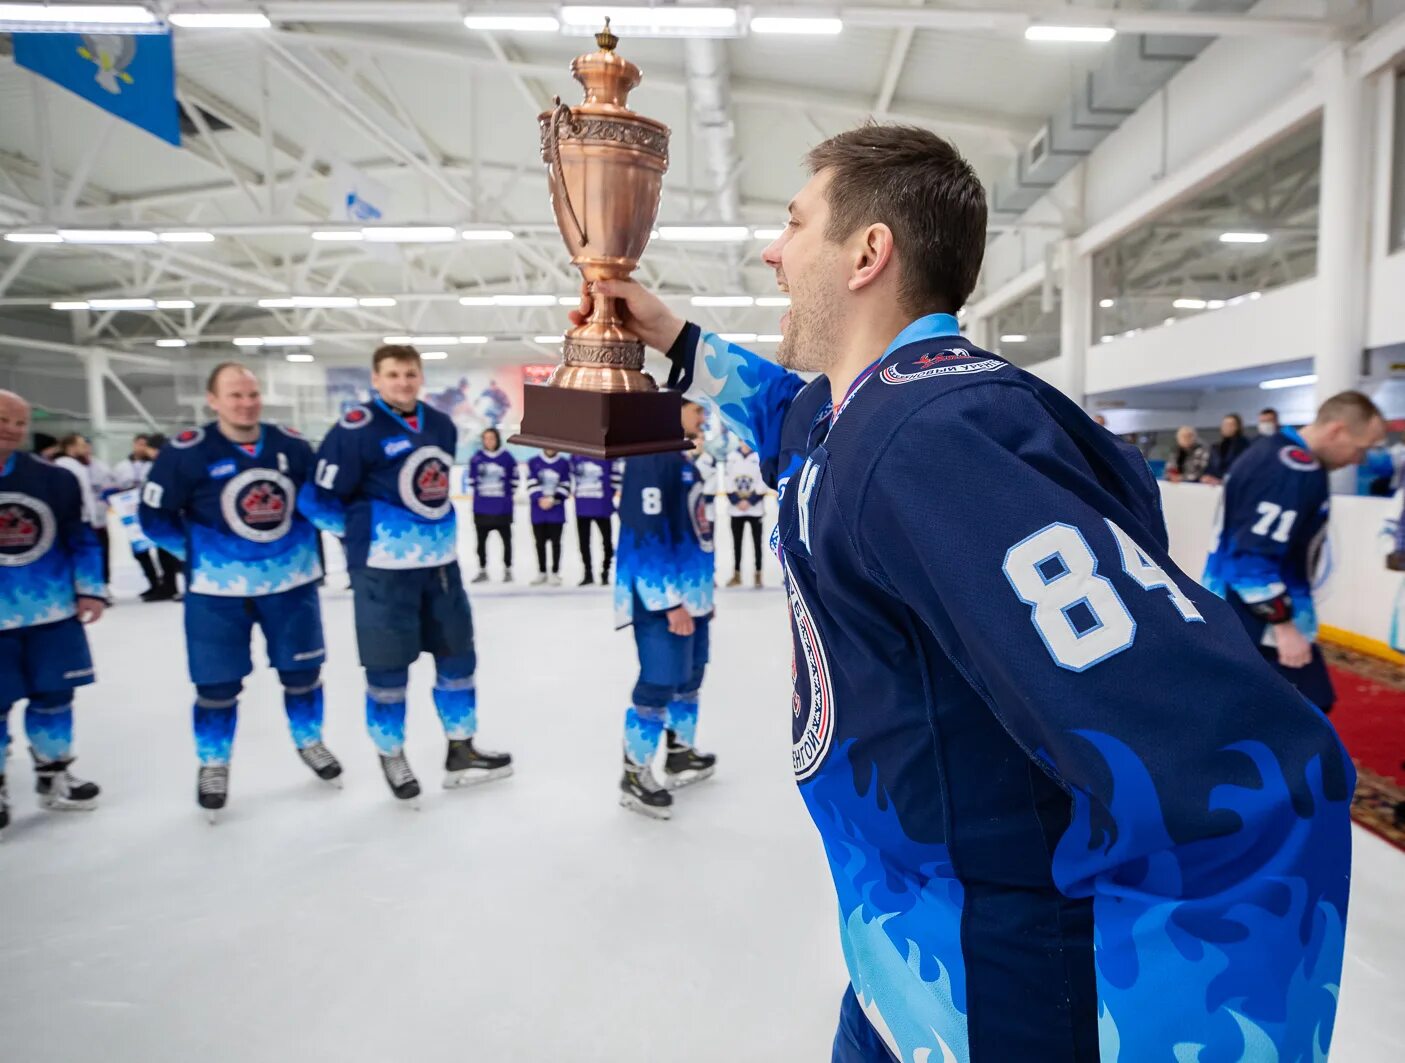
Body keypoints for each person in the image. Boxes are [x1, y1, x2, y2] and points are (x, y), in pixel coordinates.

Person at [577, 123, 1354, 1060]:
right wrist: (672, 334)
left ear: (868, 253)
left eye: (793, 223)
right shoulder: (882, 409)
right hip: (901, 964)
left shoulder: (932, 439)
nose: (770, 251)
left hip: (997, 994)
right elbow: (795, 418)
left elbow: (1239, 760)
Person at [300, 344, 511, 803]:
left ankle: (461, 749)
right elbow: (316, 500)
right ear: (376, 380)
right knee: (387, 671)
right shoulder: (355, 430)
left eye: (410, 374)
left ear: (421, 377)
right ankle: (392, 754)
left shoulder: (440, 424)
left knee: (458, 662)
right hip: (383, 575)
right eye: (393, 375)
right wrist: (362, 539)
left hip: (440, 569)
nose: (403, 382)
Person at [139, 363, 343, 818]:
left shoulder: (290, 444)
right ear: (212, 400)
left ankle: (310, 742)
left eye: (252, 394)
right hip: (216, 594)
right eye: (234, 396)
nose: (246, 403)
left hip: (290, 586)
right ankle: (213, 763)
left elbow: (317, 501)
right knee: (216, 685)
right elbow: (154, 517)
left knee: (302, 675)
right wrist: (201, 556)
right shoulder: (185, 452)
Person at [1203, 391, 1386, 714]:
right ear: (1337, 431)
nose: (1360, 461)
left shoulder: (1270, 452)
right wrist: (1284, 626)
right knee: (1304, 714)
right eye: (1361, 449)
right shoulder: (1292, 470)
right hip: (1257, 619)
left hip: (1242, 611)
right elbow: (1251, 561)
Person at [0, 391, 105, 834]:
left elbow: (80, 537)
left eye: (20, 422)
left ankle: (54, 773)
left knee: (56, 698)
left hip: (52, 613)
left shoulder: (54, 479)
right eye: (4, 419)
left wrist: (90, 590)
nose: (12, 429)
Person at [613, 401, 717, 819]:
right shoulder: (650, 459)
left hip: (694, 596)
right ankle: (635, 775)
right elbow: (647, 537)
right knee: (659, 682)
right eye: (695, 410)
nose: (702, 417)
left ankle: (679, 753)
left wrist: (702, 597)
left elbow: (694, 530)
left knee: (690, 678)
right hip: (662, 600)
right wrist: (669, 601)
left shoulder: (681, 457)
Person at [53, 433, 112, 593]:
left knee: (94, 554)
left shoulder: (78, 465)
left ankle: (97, 587)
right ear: (71, 447)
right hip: (77, 520)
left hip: (87, 518)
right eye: (81, 444)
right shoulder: (64, 465)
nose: (85, 447)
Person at [467, 427, 517, 584]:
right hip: (482, 508)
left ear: (497, 439)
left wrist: (503, 498)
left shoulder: (507, 458)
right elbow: (471, 481)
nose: (488, 441)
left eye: (492, 438)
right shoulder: (476, 459)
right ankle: (482, 570)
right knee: (481, 542)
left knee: (506, 541)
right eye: (486, 438)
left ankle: (508, 570)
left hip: (502, 509)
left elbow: (514, 482)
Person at [570, 454, 621, 586]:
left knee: (607, 541)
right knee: (584, 541)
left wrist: (609, 495)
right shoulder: (576, 455)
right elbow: (571, 478)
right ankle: (588, 573)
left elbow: (616, 478)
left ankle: (605, 572)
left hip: (602, 506)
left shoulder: (608, 453)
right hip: (582, 506)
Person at [724, 440, 766, 587]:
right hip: (736, 510)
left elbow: (763, 481)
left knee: (757, 543)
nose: (744, 443)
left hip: (755, 509)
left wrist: (751, 501)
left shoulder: (758, 457)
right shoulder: (731, 457)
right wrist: (736, 500)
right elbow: (727, 480)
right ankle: (736, 575)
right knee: (737, 543)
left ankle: (758, 574)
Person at [527, 448, 571, 587]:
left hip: (556, 511)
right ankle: (542, 571)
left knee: (556, 543)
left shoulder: (564, 463)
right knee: (539, 543)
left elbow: (566, 484)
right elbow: (531, 483)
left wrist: (553, 499)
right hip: (538, 511)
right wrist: (540, 499)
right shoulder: (533, 462)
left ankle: (555, 572)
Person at [1202, 412, 1250, 484]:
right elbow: (1210, 466)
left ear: (1237, 427)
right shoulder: (1216, 447)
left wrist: (1222, 480)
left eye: (1229, 425)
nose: (1225, 427)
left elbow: (1242, 468)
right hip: (1215, 486)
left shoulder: (1245, 446)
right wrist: (1207, 476)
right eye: (1224, 425)